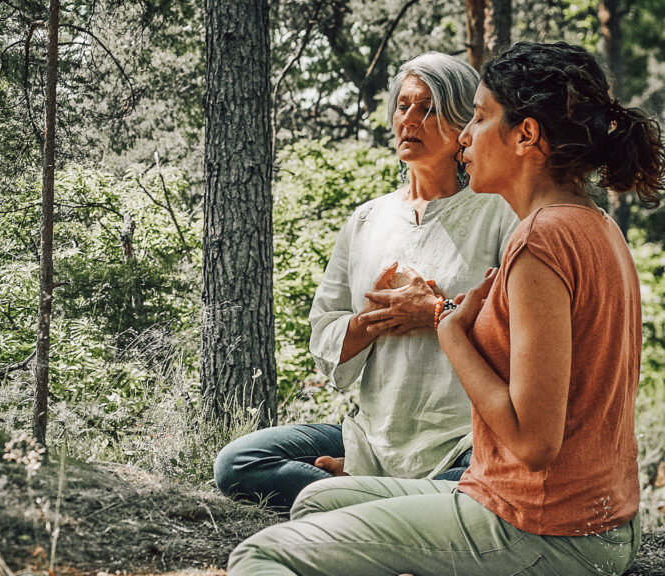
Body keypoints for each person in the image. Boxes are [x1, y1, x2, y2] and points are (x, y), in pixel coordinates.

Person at [228, 41, 664, 576]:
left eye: (478, 118)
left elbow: (534, 443)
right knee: (314, 502)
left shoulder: (537, 241)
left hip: (543, 526)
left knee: (260, 554)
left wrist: (449, 328)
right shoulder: (595, 225)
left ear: (526, 135)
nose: (464, 136)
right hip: (580, 519)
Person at [214, 52, 518, 511]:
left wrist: (436, 313)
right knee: (238, 463)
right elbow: (325, 330)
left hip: (464, 443)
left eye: (428, 107)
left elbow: (520, 328)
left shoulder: (498, 212)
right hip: (370, 438)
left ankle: (360, 498)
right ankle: (385, 498)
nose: (409, 119)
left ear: (463, 123)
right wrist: (371, 322)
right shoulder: (367, 220)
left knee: (480, 489)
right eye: (403, 106)